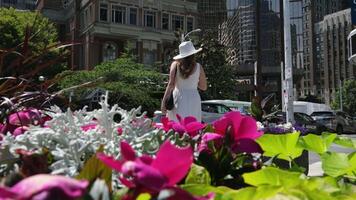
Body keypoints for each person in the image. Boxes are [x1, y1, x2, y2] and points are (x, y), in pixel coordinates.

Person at [161, 41, 207, 122]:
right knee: (192, 126)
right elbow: (203, 87)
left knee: (176, 125)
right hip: (193, 99)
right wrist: (193, 83)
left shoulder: (175, 65)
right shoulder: (199, 67)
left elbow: (171, 84)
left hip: (178, 98)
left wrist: (163, 103)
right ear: (193, 54)